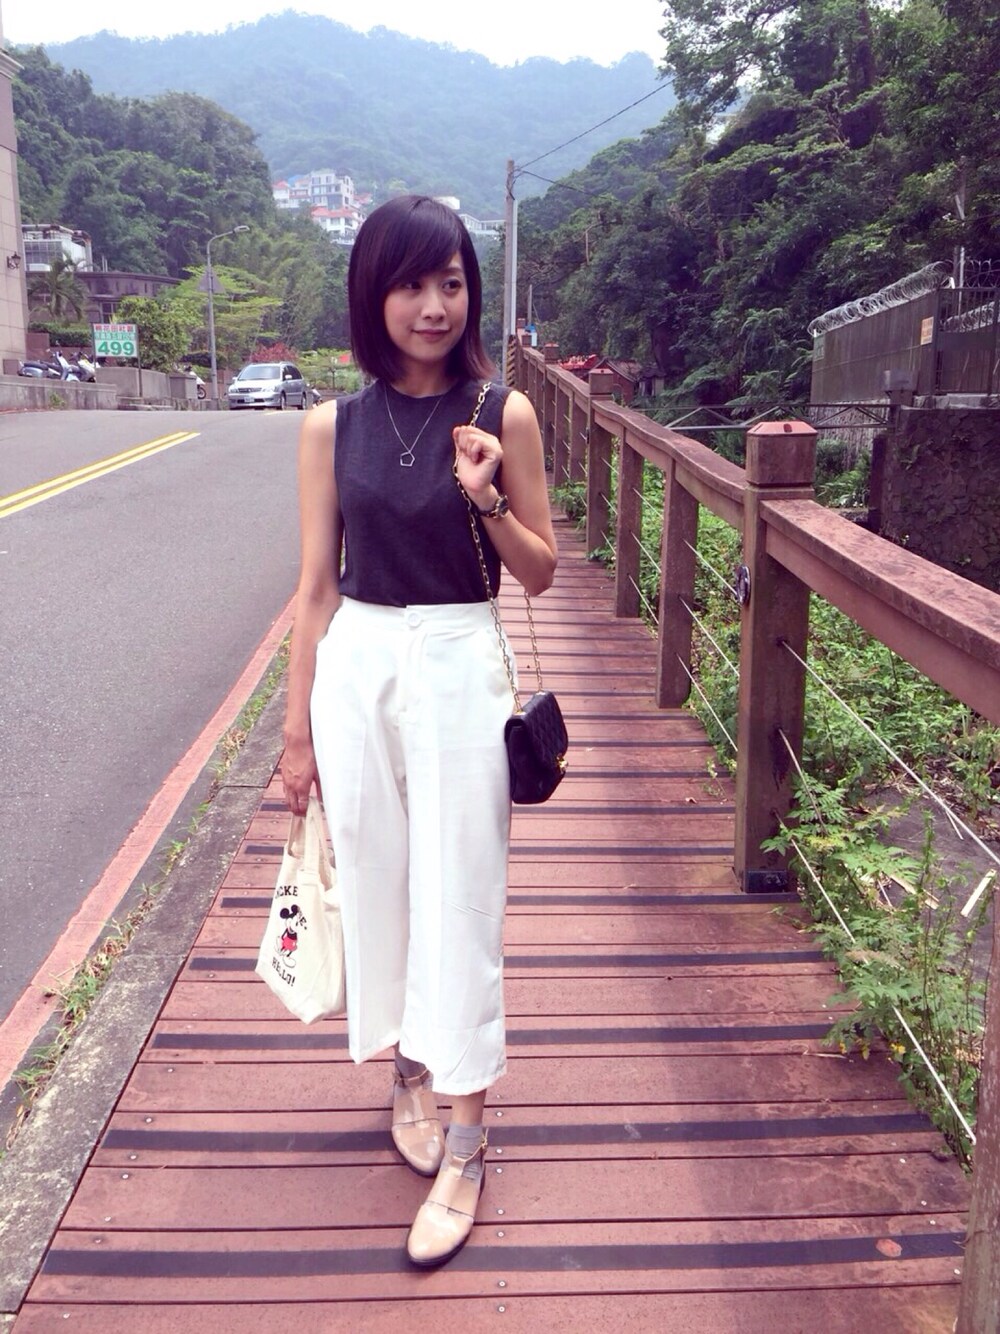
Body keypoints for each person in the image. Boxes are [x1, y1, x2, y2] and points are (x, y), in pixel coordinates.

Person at [281, 194, 557, 1267]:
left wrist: (485, 497)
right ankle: (406, 1070)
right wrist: (295, 734)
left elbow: (541, 571)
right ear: (374, 295)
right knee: (381, 877)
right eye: (411, 284)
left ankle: (468, 1139)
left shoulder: (503, 411)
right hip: (358, 661)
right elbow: (315, 587)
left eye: (451, 283)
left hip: (456, 659)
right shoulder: (330, 426)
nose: (433, 305)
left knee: (462, 892)